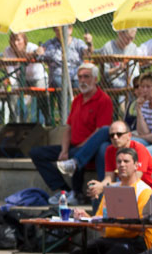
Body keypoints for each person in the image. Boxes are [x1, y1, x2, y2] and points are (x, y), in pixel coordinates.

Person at [68, 147, 152, 254]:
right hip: (110, 239)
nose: (122, 165)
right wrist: (87, 218)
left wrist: (119, 221)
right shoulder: (112, 189)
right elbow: (100, 222)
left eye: (126, 161)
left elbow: (141, 227)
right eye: (119, 161)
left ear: (136, 165)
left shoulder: (144, 191)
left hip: (136, 241)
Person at [30, 63, 113, 204]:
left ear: (95, 79)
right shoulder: (77, 100)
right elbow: (68, 128)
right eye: (80, 77)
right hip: (73, 147)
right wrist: (64, 150)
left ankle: (77, 192)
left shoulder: (104, 100)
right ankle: (65, 191)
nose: (82, 80)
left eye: (86, 76)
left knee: (76, 153)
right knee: (36, 153)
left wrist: (78, 148)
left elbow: (100, 132)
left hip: (89, 149)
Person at [83, 121, 152, 201]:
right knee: (97, 194)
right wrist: (99, 186)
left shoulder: (139, 149)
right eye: (111, 135)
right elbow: (109, 178)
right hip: (125, 186)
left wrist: (104, 187)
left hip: (146, 190)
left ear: (129, 135)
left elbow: (135, 179)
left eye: (119, 134)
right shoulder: (110, 150)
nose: (115, 137)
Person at [2, 31, 47, 122]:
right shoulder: (8, 51)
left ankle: (41, 121)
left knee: (41, 93)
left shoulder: (32, 47)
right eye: (13, 40)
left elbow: (39, 70)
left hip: (36, 78)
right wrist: (11, 85)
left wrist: (33, 54)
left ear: (24, 40)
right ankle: (17, 122)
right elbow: (11, 73)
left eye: (18, 40)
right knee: (11, 92)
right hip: (19, 79)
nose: (15, 43)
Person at [37, 24, 89, 89]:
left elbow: (88, 53)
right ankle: (66, 99)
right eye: (57, 30)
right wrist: (38, 51)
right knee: (61, 84)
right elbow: (38, 53)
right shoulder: (51, 43)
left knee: (81, 84)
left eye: (63, 29)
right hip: (58, 75)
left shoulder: (77, 43)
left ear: (70, 30)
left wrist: (90, 44)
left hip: (76, 75)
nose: (60, 32)